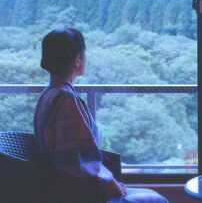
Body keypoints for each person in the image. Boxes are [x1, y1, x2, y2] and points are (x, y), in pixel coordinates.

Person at [33, 28, 168, 203]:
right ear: (77, 60)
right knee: (157, 200)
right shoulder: (66, 99)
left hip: (58, 187)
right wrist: (108, 179)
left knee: (148, 194)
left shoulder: (48, 94)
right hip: (77, 192)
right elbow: (75, 161)